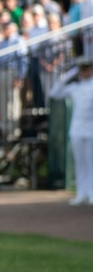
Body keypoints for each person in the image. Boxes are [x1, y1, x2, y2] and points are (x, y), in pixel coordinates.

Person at [47, 57, 93, 205]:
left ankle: (91, 192)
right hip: (77, 130)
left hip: (91, 130)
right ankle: (82, 193)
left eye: (86, 69)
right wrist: (71, 73)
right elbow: (54, 93)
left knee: (91, 162)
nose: (84, 72)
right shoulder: (75, 88)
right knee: (80, 163)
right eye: (82, 70)